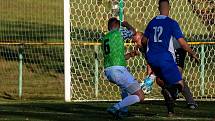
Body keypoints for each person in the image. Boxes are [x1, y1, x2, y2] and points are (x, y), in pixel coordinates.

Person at [133, 0, 199, 116]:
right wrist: (192, 52)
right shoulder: (172, 23)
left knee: (161, 80)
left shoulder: (152, 22)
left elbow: (145, 40)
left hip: (153, 57)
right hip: (167, 55)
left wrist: (145, 45)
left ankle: (170, 111)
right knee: (179, 83)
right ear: (169, 8)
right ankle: (177, 95)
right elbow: (182, 43)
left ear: (158, 8)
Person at [138, 36, 198, 109]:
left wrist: (152, 76)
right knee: (159, 80)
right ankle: (172, 96)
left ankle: (190, 101)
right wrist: (148, 78)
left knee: (176, 78)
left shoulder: (153, 43)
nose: (135, 43)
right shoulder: (142, 47)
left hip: (176, 48)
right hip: (166, 53)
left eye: (136, 41)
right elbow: (151, 62)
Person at [102, 17, 144, 119]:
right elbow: (133, 32)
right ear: (117, 26)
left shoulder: (104, 39)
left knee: (124, 88)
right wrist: (126, 24)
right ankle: (115, 108)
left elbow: (117, 57)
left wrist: (130, 54)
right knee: (140, 96)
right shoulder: (119, 33)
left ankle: (123, 111)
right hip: (118, 71)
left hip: (108, 71)